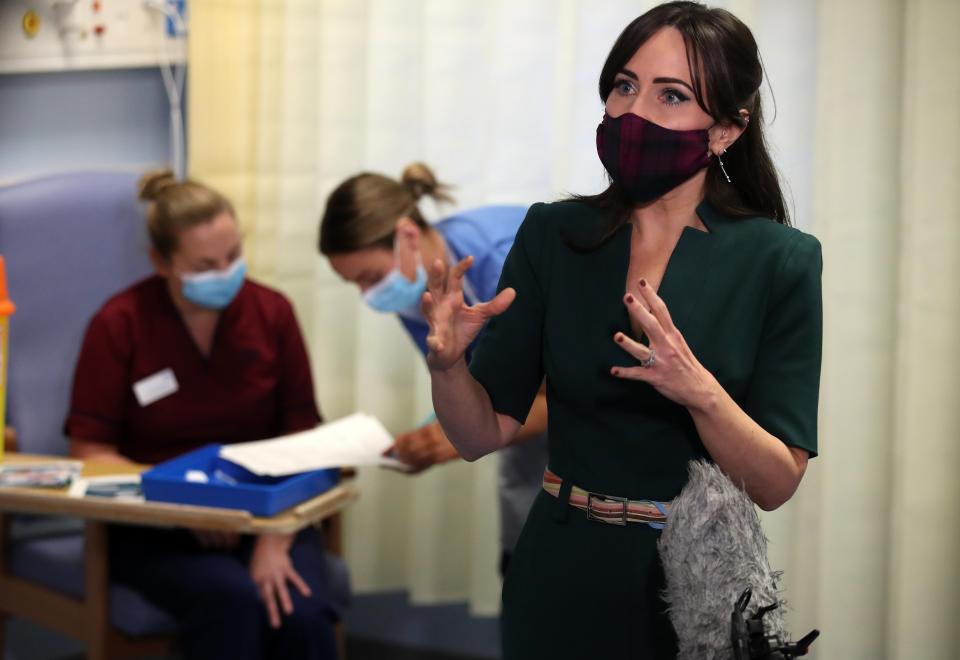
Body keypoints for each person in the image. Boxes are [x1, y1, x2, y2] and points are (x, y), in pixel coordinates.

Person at [421, 3, 822, 658]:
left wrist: (699, 391)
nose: (634, 112)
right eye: (624, 86)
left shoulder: (781, 259)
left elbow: (777, 483)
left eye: (672, 96)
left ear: (725, 131)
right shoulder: (554, 234)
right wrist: (447, 369)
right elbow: (478, 434)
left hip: (694, 580)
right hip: (557, 562)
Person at [64, 170, 339, 660]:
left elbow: (304, 442)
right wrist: (188, 502)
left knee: (301, 611)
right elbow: (90, 451)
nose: (225, 272)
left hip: (268, 516)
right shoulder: (118, 325)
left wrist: (273, 539)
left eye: (233, 257)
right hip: (155, 527)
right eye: (205, 265)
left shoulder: (273, 314)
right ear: (162, 262)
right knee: (231, 602)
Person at [318, 163, 549, 573]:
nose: (368, 295)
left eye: (369, 277)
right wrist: (434, 431)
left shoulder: (504, 260)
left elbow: (561, 394)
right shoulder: (415, 290)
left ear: (407, 235)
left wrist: (452, 440)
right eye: (355, 283)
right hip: (529, 445)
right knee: (522, 567)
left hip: (596, 426)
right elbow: (468, 378)